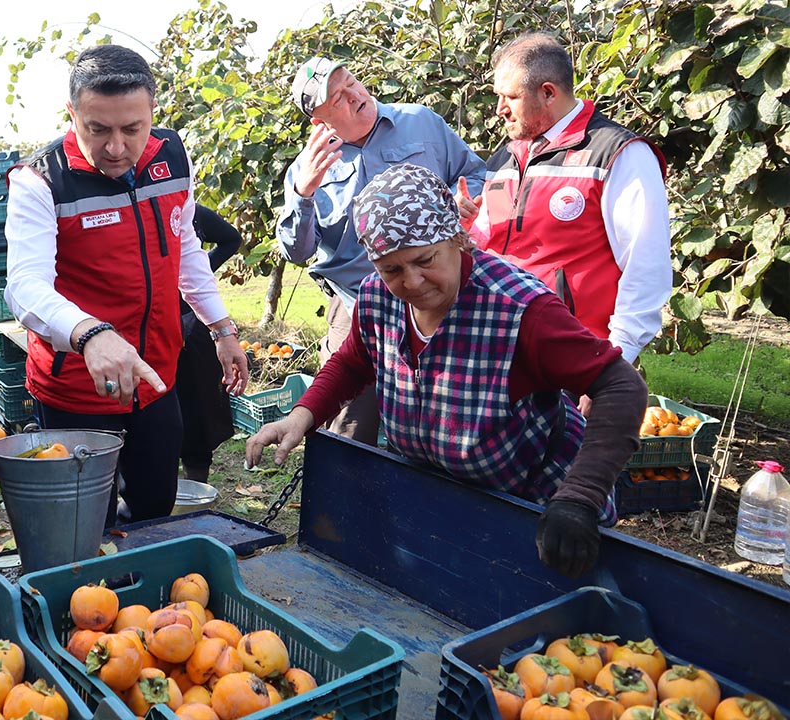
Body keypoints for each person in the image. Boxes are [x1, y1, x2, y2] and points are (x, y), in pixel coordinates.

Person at [248, 164, 647, 577]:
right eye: (392, 269)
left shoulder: (519, 310)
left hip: (535, 508)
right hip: (443, 494)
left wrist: (579, 498)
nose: (412, 282)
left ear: (455, 237)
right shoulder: (377, 298)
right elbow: (353, 361)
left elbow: (621, 387)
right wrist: (302, 415)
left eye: (424, 260)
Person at [5, 44, 249, 523]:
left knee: (154, 509)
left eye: (132, 129)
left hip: (156, 378)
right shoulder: (41, 181)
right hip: (76, 389)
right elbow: (25, 286)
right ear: (71, 112)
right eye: (98, 129)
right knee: (82, 525)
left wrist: (222, 329)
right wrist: (90, 334)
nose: (116, 148)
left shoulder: (172, 157)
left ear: (152, 111)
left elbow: (185, 247)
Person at [277, 56, 487, 445]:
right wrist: (304, 193)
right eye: (338, 98)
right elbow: (297, 252)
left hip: (437, 288)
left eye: (351, 82)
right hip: (358, 302)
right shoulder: (306, 169)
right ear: (320, 122)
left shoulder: (420, 123)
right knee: (349, 424)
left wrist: (460, 201)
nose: (354, 94)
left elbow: (474, 173)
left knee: (452, 410)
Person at [458, 32, 670, 375]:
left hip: (574, 357)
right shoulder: (505, 158)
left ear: (548, 93)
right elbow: (489, 245)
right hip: (499, 354)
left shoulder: (617, 155)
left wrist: (613, 363)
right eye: (498, 96)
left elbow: (646, 267)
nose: (500, 110)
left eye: (510, 97)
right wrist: (464, 227)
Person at [178, 206, 242, 482]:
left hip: (194, 323)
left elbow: (231, 238)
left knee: (197, 405)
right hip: (154, 326)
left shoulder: (190, 211)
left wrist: (197, 274)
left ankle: (195, 484)